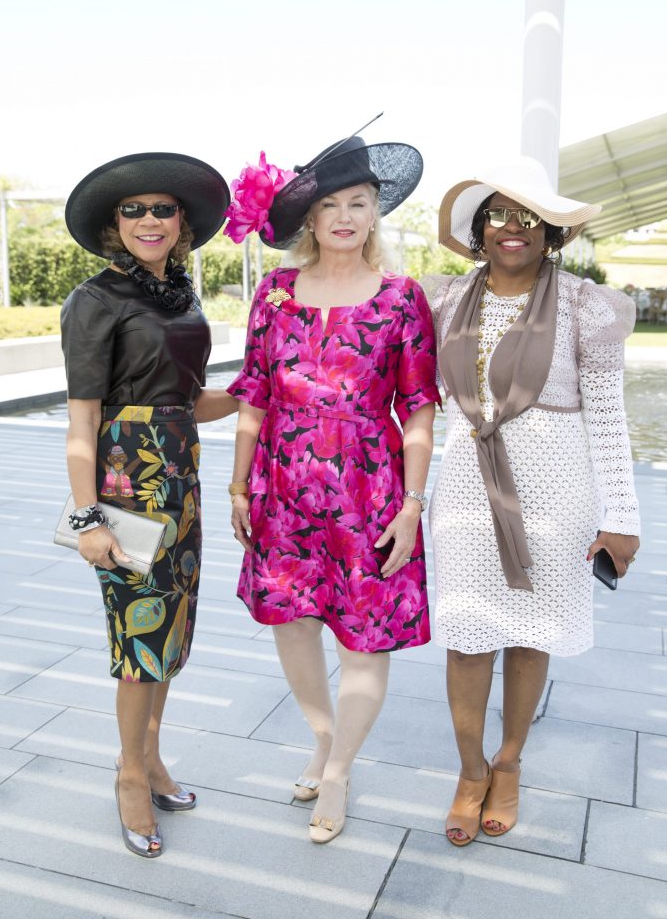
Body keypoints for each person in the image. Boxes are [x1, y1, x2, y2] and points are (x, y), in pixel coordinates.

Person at [224, 129, 439, 843]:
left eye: (360, 202)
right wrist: (236, 487)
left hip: (368, 491)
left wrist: (411, 504)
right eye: (331, 206)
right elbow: (253, 394)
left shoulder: (402, 299)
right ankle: (322, 737)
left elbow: (417, 408)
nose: (345, 215)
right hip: (281, 488)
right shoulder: (276, 292)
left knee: (363, 638)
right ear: (309, 221)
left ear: (376, 213)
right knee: (292, 622)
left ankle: (340, 768)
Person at [422, 157, 641, 847]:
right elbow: (416, 405)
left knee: (526, 634)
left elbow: (607, 417)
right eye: (497, 216)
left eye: (528, 218)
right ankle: (468, 769)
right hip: (461, 490)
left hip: (555, 492)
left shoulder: (585, 305)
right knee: (464, 637)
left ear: (550, 234)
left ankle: (508, 762)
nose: (510, 229)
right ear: (479, 231)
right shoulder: (440, 300)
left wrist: (622, 518)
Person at [61, 152, 236, 858]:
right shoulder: (95, 300)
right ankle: (130, 776)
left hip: (181, 481)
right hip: (127, 485)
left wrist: (269, 387)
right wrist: (87, 520)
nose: (149, 220)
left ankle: (154, 759)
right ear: (113, 224)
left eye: (162, 208)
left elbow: (192, 403)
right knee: (138, 643)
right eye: (132, 210)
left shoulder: (181, 297)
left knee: (170, 635)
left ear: (182, 221)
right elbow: (81, 425)